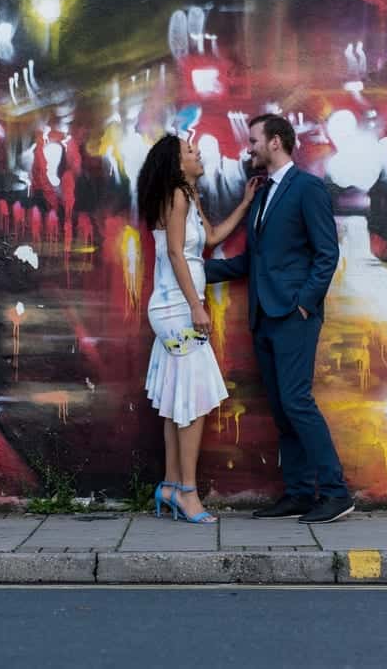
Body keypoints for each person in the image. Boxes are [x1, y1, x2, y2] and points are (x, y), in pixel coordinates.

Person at [205, 114, 355, 524]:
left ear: (275, 142)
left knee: (296, 401)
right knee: (282, 407)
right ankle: (300, 493)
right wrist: (189, 272)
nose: (247, 147)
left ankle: (337, 492)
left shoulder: (307, 188)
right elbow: (252, 262)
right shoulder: (262, 193)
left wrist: (304, 304)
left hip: (292, 314)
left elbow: (327, 253)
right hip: (264, 316)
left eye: (253, 140)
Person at [139, 134, 261, 524]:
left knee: (179, 400)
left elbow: (208, 240)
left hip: (179, 305)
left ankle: (172, 487)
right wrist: (196, 306)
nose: (199, 153)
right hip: (177, 307)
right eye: (191, 151)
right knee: (191, 401)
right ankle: (188, 493)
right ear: (177, 164)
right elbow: (176, 252)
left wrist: (244, 203)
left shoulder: (187, 197)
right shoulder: (175, 196)